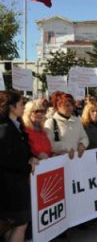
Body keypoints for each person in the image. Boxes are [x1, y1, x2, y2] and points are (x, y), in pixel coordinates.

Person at [0, 90, 39, 242]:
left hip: (15, 184)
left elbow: (23, 150)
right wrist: (28, 167)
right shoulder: (4, 129)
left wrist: (31, 157)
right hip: (10, 186)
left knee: (15, 225)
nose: (24, 106)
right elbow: (7, 160)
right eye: (21, 103)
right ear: (11, 107)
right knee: (21, 224)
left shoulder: (17, 126)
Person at [44, 92, 89, 159]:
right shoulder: (50, 122)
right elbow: (49, 144)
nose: (70, 108)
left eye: (72, 105)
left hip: (78, 160)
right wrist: (67, 147)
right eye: (67, 105)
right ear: (58, 106)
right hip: (62, 162)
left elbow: (85, 137)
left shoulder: (77, 120)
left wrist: (82, 144)